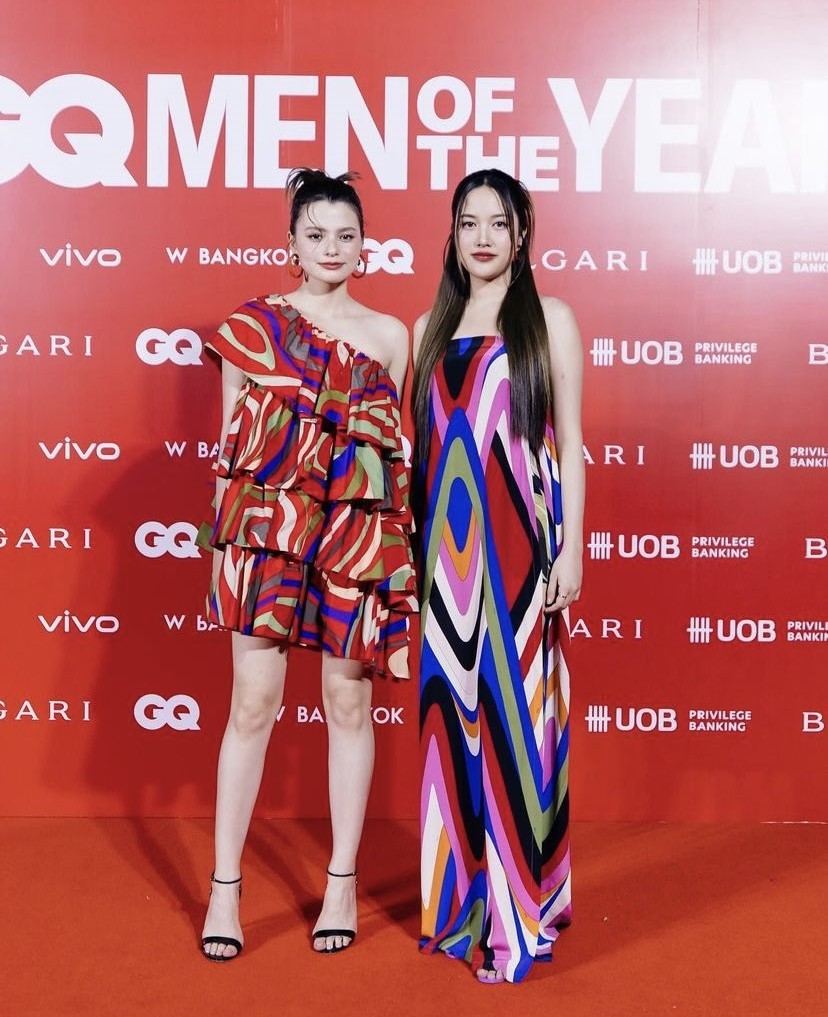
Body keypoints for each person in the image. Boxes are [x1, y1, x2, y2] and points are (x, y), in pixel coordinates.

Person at [198, 168, 416, 961]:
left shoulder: (391, 335)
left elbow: (395, 452)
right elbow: (230, 452)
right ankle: (225, 888)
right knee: (252, 702)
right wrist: (224, 551)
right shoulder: (252, 327)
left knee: (346, 701)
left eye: (346, 235)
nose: (332, 247)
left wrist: (397, 559)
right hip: (264, 532)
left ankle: (342, 882)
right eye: (316, 234)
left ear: (365, 245)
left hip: (353, 533)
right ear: (291, 242)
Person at [411, 168, 584, 984]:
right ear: (452, 235)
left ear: (522, 236)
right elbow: (422, 454)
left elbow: (570, 442)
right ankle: (459, 908)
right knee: (453, 725)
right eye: (468, 222)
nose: (482, 237)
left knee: (516, 729)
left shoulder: (551, 319)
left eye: (498, 223)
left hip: (519, 551)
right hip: (446, 561)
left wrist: (570, 549)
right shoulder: (429, 328)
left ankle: (517, 923)